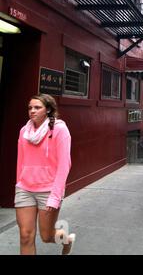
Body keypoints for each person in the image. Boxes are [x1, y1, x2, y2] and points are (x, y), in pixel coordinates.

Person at [15, 94, 75, 255]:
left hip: (48, 190)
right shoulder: (24, 132)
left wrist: (55, 196)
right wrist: (18, 183)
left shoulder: (59, 129)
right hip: (25, 189)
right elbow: (21, 161)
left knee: (47, 236)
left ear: (48, 110)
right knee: (25, 236)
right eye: (30, 108)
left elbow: (64, 165)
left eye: (37, 107)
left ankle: (66, 239)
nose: (32, 111)